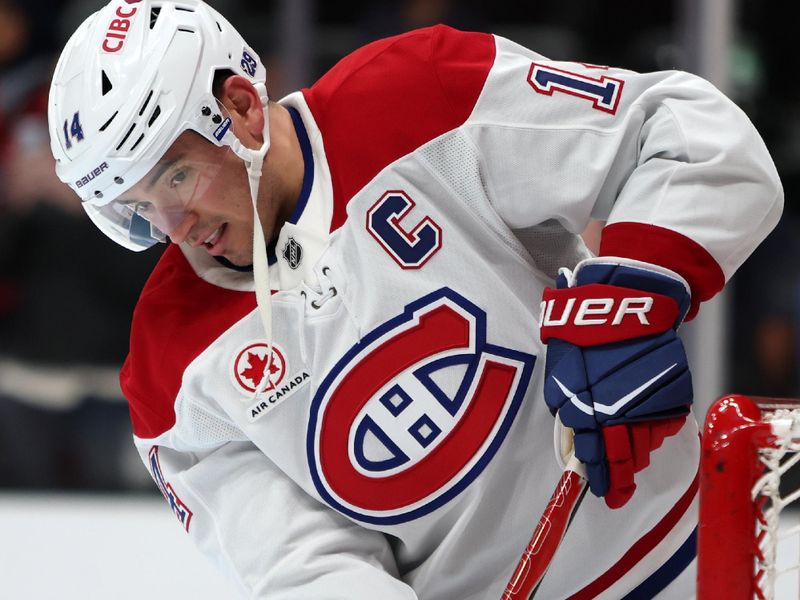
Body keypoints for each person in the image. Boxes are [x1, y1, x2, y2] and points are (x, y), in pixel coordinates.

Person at [47, 1, 782, 598]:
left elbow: (685, 134)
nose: (175, 230)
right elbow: (303, 570)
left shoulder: (416, 95)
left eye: (176, 179)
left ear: (239, 107)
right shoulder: (171, 375)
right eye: (139, 210)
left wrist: (634, 289)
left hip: (709, 561)